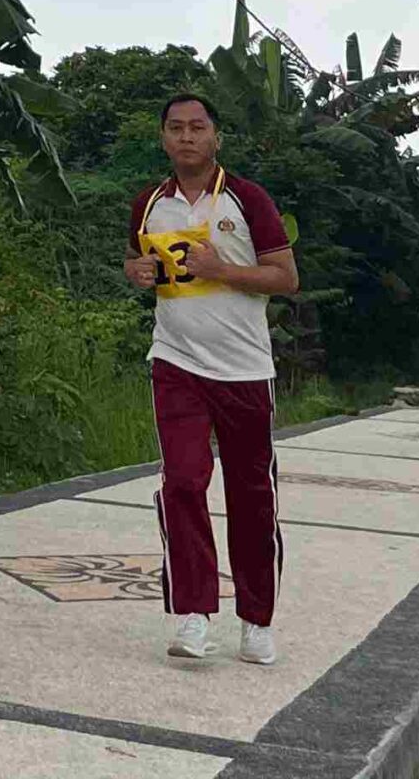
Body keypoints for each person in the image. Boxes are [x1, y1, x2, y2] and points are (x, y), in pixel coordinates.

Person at [124, 95, 298, 668]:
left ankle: (257, 619)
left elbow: (285, 277)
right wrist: (138, 273)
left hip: (244, 368)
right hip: (175, 360)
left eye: (198, 127)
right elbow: (136, 264)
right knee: (182, 481)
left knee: (251, 494)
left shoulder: (248, 199)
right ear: (163, 138)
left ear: (216, 137)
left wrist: (222, 270)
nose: (186, 138)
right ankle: (194, 612)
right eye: (175, 128)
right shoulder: (149, 203)